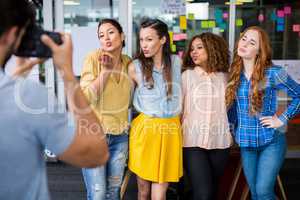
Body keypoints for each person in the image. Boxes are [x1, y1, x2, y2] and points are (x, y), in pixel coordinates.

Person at [0, 1, 109, 200]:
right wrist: (67, 74)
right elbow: (96, 153)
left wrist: (17, 76)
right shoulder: (29, 97)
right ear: (11, 35)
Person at [226, 26, 300, 200]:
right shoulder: (235, 73)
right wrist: (231, 130)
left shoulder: (273, 73)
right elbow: (234, 109)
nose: (244, 43)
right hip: (246, 142)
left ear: (260, 50)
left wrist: (281, 119)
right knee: (255, 193)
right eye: (244, 39)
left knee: (264, 192)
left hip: (271, 141)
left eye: (252, 42)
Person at [128, 18, 182, 200]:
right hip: (145, 131)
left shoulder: (176, 63)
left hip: (169, 131)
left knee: (160, 194)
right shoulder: (135, 66)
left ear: (163, 40)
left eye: (149, 39)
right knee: (143, 192)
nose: (144, 44)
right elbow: (124, 99)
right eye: (142, 39)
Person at [80, 18, 131, 200]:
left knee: (113, 191)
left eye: (111, 32)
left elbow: (132, 99)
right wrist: (106, 72)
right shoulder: (94, 59)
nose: (106, 38)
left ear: (122, 36)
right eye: (101, 35)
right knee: (98, 193)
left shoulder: (128, 63)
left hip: (120, 137)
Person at [181, 32, 233, 200]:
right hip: (192, 142)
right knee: (203, 193)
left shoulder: (226, 78)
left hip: (220, 142)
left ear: (213, 49)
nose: (193, 52)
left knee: (212, 191)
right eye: (192, 49)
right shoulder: (186, 76)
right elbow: (178, 110)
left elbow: (231, 109)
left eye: (199, 47)